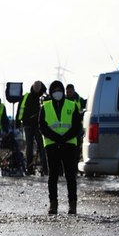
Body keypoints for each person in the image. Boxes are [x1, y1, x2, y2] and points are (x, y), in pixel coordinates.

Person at [39, 80, 82, 215]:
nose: (57, 92)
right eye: (54, 90)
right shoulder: (45, 107)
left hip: (69, 144)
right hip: (52, 144)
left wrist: (65, 138)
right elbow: (42, 126)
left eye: (59, 90)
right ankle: (53, 204)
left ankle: (72, 205)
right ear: (51, 92)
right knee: (53, 175)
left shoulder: (72, 105)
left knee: (70, 175)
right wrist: (56, 137)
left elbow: (76, 126)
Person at [16, 81, 48, 175]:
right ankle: (29, 168)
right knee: (29, 147)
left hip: (40, 126)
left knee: (42, 147)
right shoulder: (26, 97)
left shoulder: (45, 98)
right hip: (28, 125)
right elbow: (20, 109)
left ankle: (45, 168)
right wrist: (18, 122)